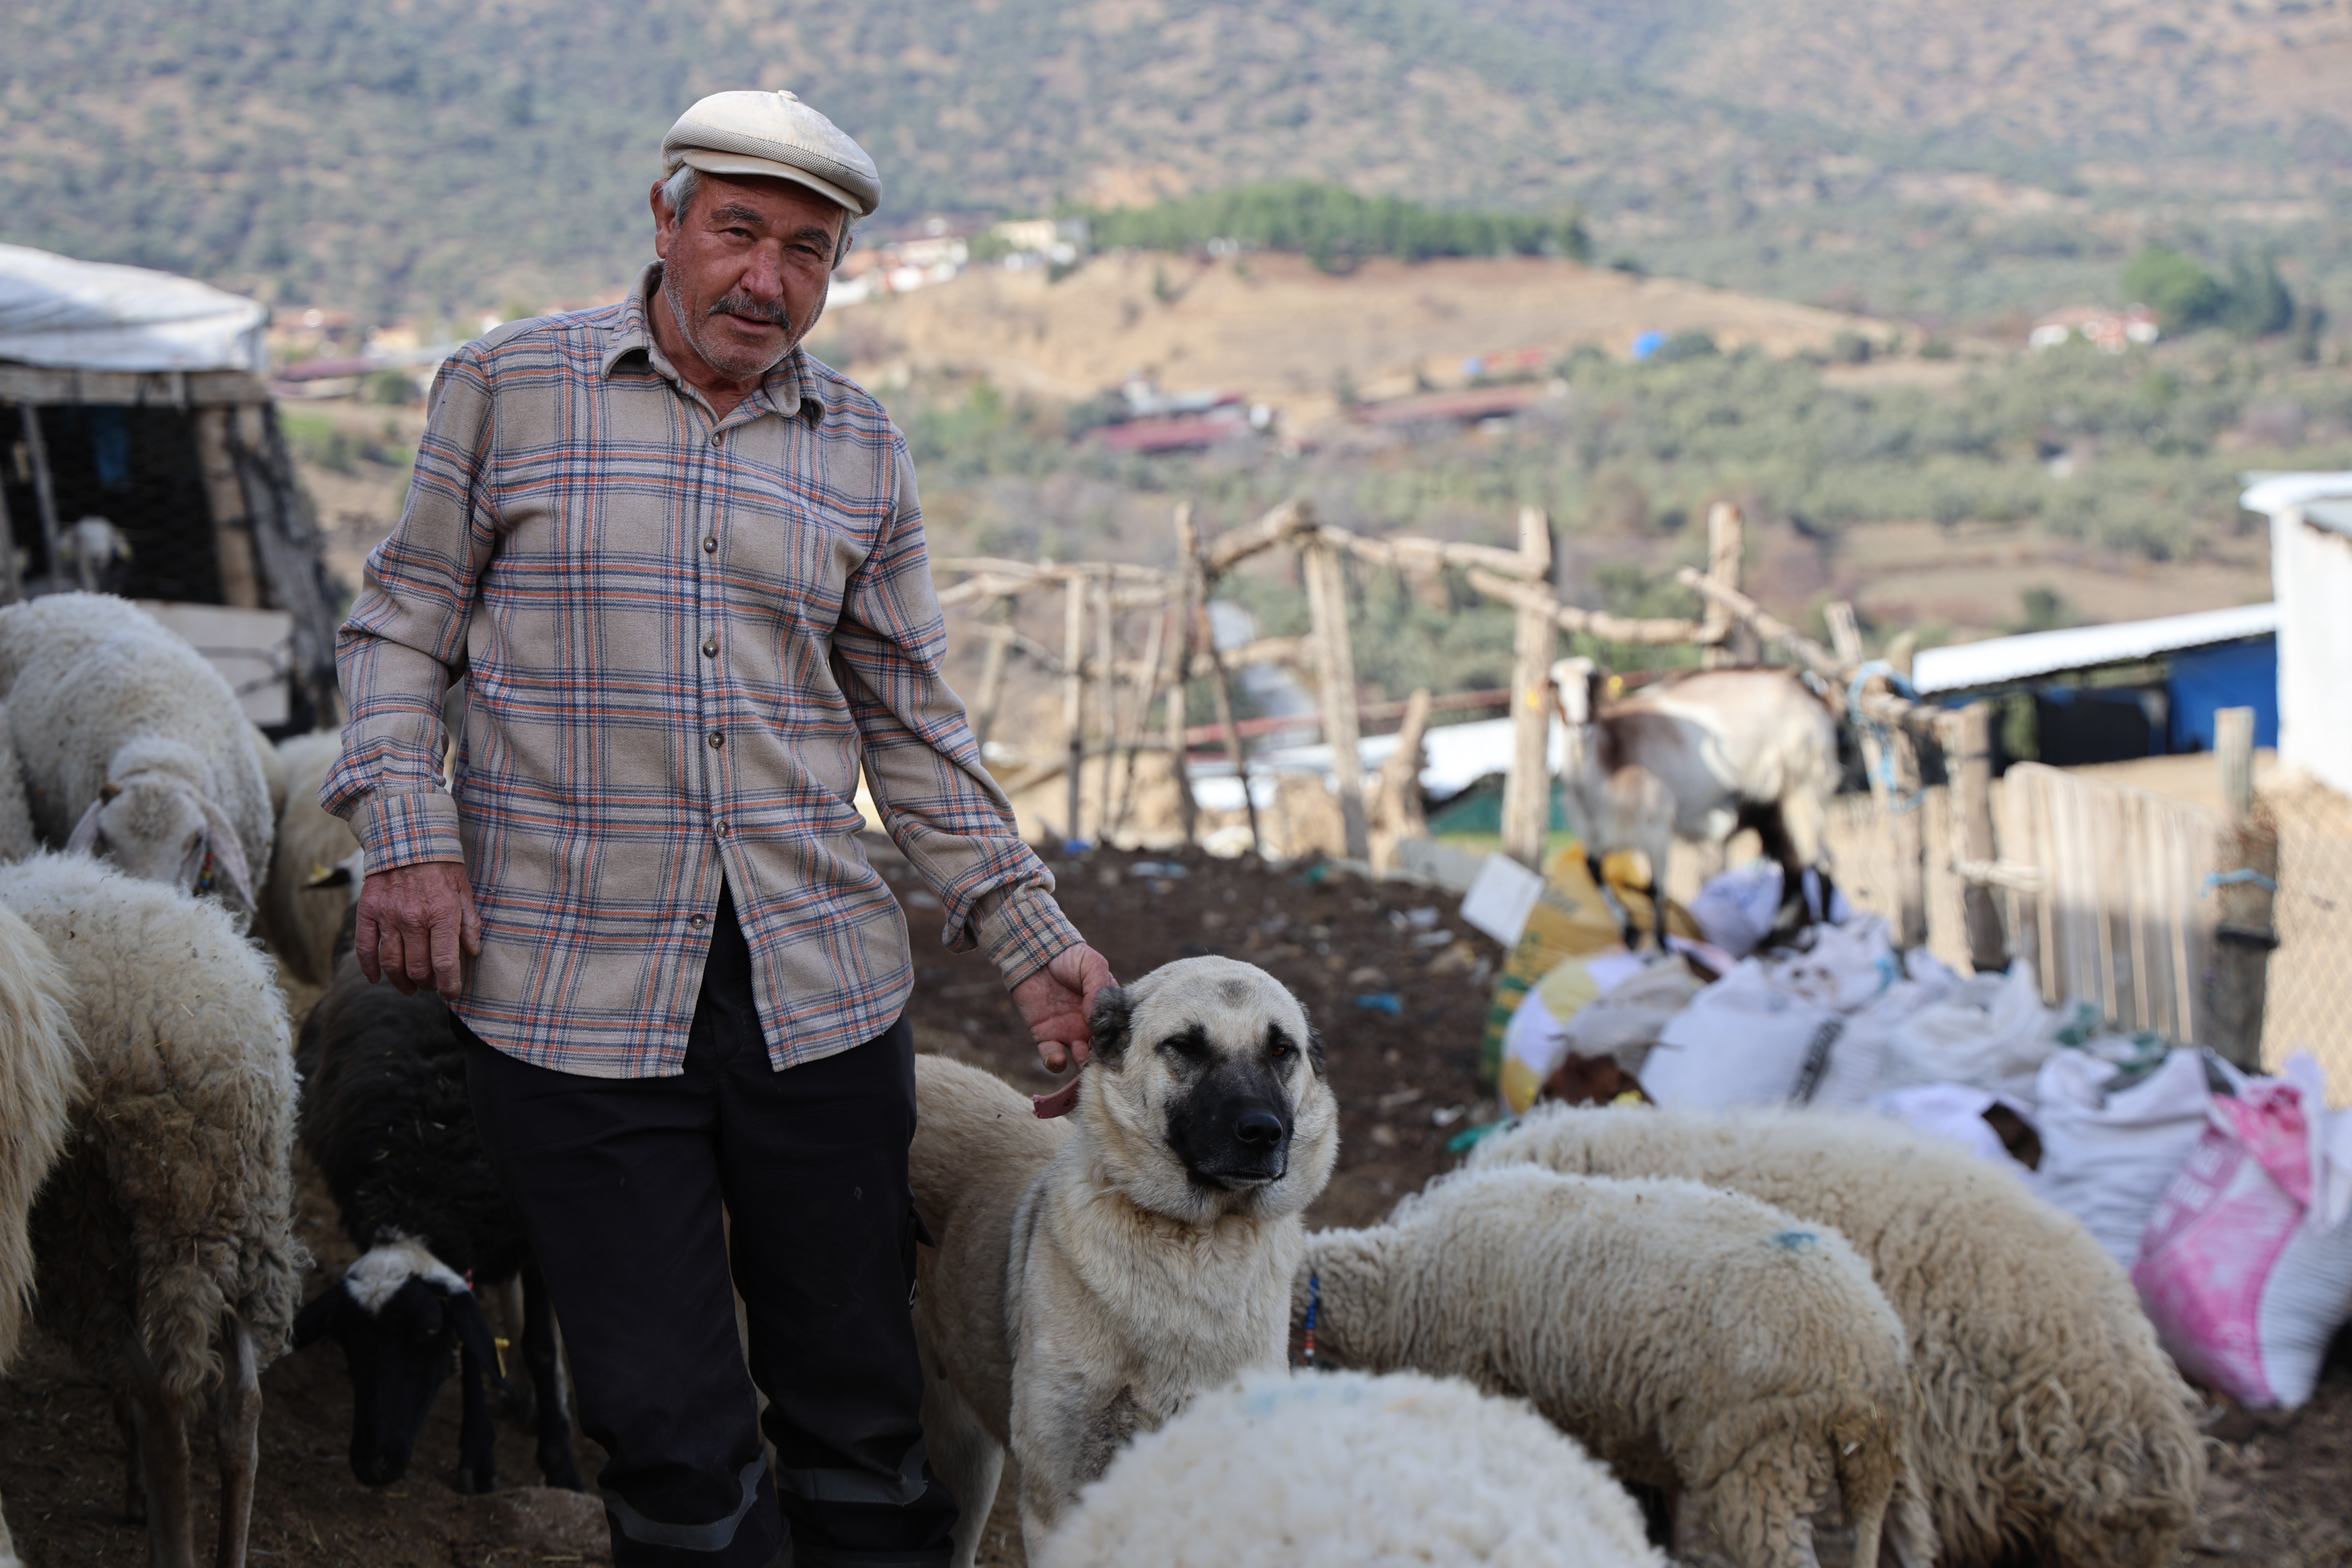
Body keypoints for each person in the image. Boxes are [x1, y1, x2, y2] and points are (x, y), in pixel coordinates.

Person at [323, 89, 1113, 1568]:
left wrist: (1034, 941)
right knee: (668, 1427)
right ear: (666, 218)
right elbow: (397, 630)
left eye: (808, 252)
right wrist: (410, 836)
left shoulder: (860, 447)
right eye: (739, 232)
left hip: (819, 996)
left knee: (860, 1403)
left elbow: (911, 727)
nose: (767, 280)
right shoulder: (506, 389)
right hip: (570, 996)